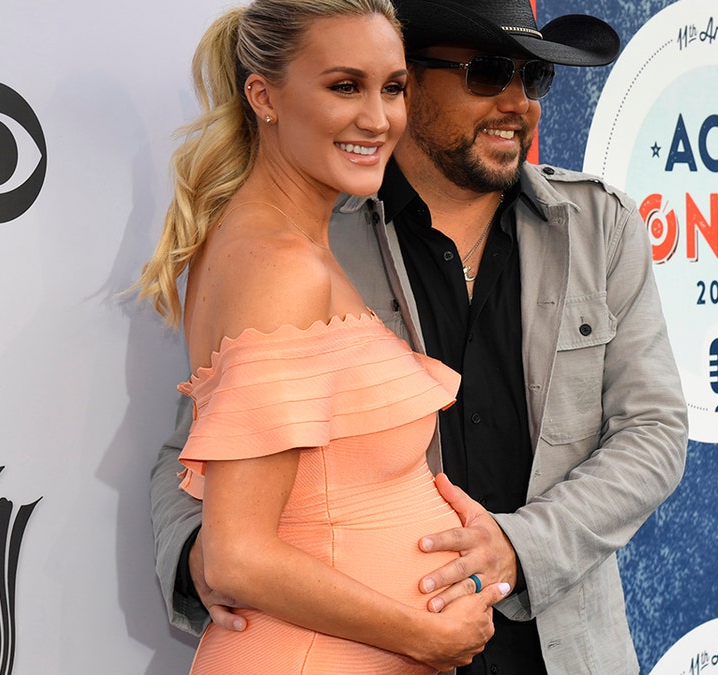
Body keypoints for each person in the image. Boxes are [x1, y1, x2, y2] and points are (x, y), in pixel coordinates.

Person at [150, 0, 690, 672]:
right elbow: (198, 446)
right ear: (420, 73)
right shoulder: (314, 238)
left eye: (534, 80)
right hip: (367, 645)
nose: (518, 103)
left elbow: (654, 432)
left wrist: (519, 547)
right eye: (489, 73)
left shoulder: (597, 227)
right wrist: (204, 552)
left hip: (557, 646)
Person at [135, 0, 510, 672]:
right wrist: (420, 633)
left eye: (393, 87)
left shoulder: (278, 240)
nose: (378, 118)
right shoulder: (280, 267)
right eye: (345, 86)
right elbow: (236, 553)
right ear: (264, 96)